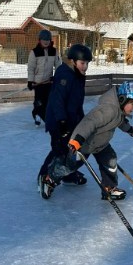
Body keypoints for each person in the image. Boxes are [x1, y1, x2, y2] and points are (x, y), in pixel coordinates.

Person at [41, 80, 133, 201]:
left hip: (101, 144)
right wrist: (77, 140)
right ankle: (49, 178)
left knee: (110, 161)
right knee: (70, 166)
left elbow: (120, 121)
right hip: (85, 144)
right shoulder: (108, 110)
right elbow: (89, 122)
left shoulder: (118, 111)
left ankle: (109, 188)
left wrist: (130, 129)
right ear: (123, 99)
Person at [38, 44, 92, 199]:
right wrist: (61, 122)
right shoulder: (65, 75)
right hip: (58, 121)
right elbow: (57, 100)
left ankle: (67, 175)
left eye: (87, 63)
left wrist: (82, 121)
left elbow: (76, 102)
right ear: (73, 61)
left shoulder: (78, 75)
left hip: (71, 119)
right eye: (82, 63)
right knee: (59, 151)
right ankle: (44, 176)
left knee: (72, 149)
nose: (85, 67)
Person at [27, 29, 60, 126]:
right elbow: (31, 68)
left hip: (49, 82)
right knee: (39, 102)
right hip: (38, 83)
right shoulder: (34, 52)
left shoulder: (54, 51)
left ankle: (44, 116)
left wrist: (56, 77)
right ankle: (37, 114)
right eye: (43, 39)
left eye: (48, 40)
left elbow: (58, 65)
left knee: (48, 102)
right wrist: (30, 81)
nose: (46, 42)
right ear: (39, 40)